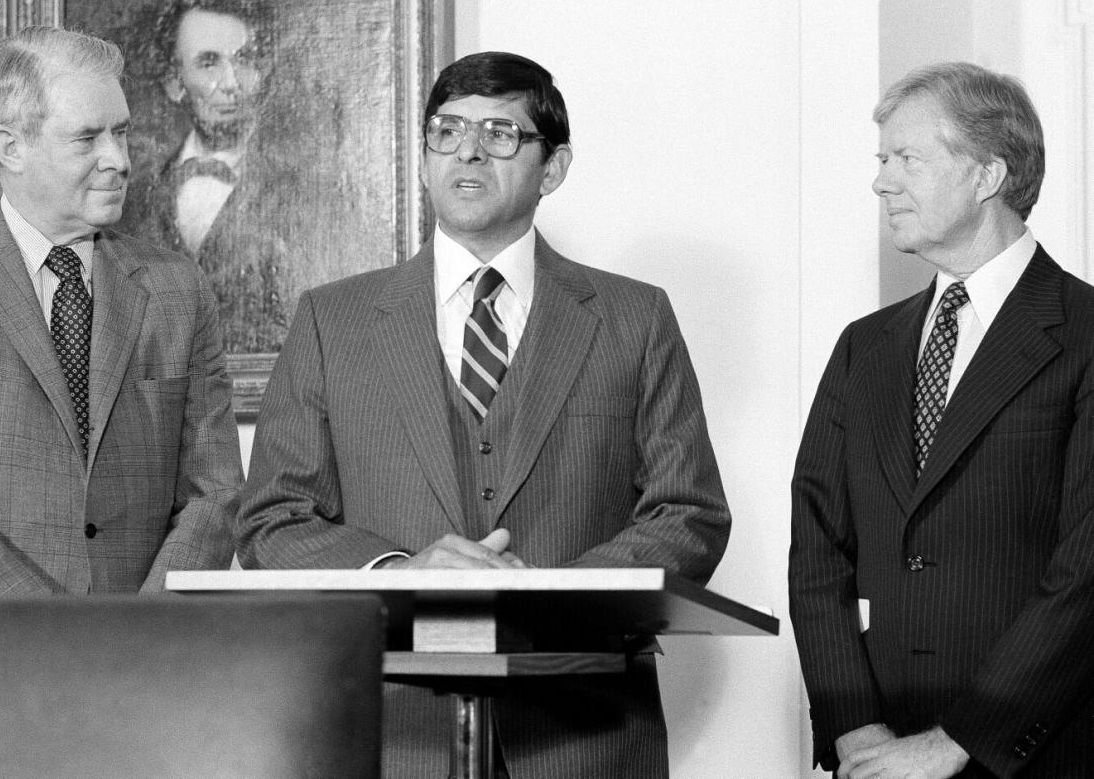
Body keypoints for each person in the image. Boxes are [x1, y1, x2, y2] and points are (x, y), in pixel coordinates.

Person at [235, 51, 731, 778]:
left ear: (553, 167)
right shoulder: (330, 320)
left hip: (585, 734)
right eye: (447, 130)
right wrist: (402, 572)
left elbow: (688, 513)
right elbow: (272, 518)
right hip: (390, 731)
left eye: (501, 133)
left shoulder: (634, 317)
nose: (468, 151)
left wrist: (556, 599)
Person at [0, 26, 242, 595]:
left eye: (122, 132)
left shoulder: (177, 289)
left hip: (135, 662)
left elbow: (216, 491)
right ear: (10, 146)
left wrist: (143, 630)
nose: (119, 159)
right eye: (87, 139)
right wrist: (42, 629)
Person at [790, 62, 1094, 778]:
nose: (881, 182)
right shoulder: (864, 346)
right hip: (876, 757)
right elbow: (817, 551)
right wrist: (854, 729)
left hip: (1040, 753)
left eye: (906, 159)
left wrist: (957, 741)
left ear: (988, 175)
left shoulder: (1085, 334)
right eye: (881, 160)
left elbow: (1085, 572)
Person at [120, 0, 290, 353]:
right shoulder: (132, 194)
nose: (232, 84)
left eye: (245, 59)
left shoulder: (296, 191)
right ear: (175, 82)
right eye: (209, 62)